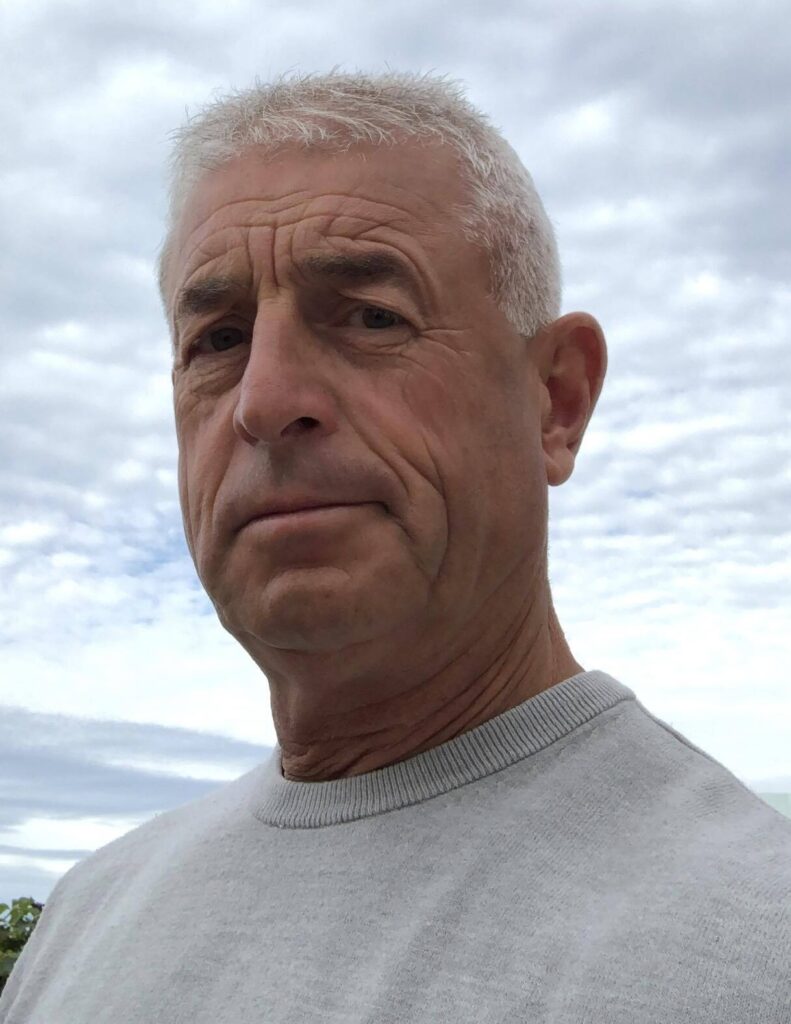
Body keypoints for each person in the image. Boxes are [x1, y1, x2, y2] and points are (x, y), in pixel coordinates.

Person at [2, 71, 789, 1024]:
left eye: (373, 317)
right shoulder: (88, 917)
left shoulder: (752, 948)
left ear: (556, 401)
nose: (262, 400)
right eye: (217, 339)